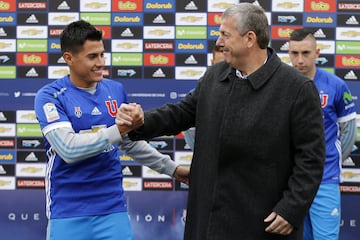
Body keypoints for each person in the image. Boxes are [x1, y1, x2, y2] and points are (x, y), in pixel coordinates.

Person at [116, 3, 325, 240]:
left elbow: (311, 159)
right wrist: (140, 121)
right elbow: (182, 113)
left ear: (249, 38)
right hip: (208, 222)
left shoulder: (297, 89)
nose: (219, 41)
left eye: (225, 34)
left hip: (262, 224)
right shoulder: (215, 76)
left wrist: (291, 209)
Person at [34, 20, 189, 240]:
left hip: (112, 208)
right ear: (68, 58)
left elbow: (129, 142)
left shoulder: (115, 90)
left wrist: (173, 169)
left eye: (101, 55)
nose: (100, 63)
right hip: (67, 211)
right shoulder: (50, 96)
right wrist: (119, 129)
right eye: (92, 57)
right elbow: (68, 150)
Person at [288, 28, 357, 240]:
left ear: (317, 53)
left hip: (324, 179)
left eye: (306, 53)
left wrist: (326, 161)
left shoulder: (336, 86)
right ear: (288, 53)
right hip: (290, 181)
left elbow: (348, 133)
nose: (300, 60)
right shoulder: (280, 87)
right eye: (294, 53)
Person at [183, 44, 224, 150]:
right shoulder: (197, 99)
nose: (226, 71)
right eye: (220, 65)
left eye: (229, 66)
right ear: (212, 64)